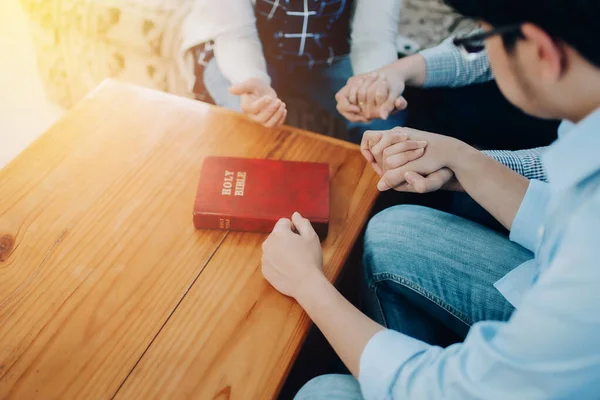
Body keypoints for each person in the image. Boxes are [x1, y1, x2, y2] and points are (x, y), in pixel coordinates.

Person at [261, 0, 600, 398]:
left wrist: (307, 283)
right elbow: (554, 218)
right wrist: (462, 161)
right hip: (549, 311)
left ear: (542, 52)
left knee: (322, 392)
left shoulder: (586, 256)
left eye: (482, 35)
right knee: (393, 229)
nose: (481, 49)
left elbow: (451, 389)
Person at [181, 0, 406, 141]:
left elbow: (373, 38)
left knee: (385, 126)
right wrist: (253, 80)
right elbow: (236, 35)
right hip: (248, 50)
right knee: (246, 120)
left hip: (332, 52)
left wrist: (369, 85)